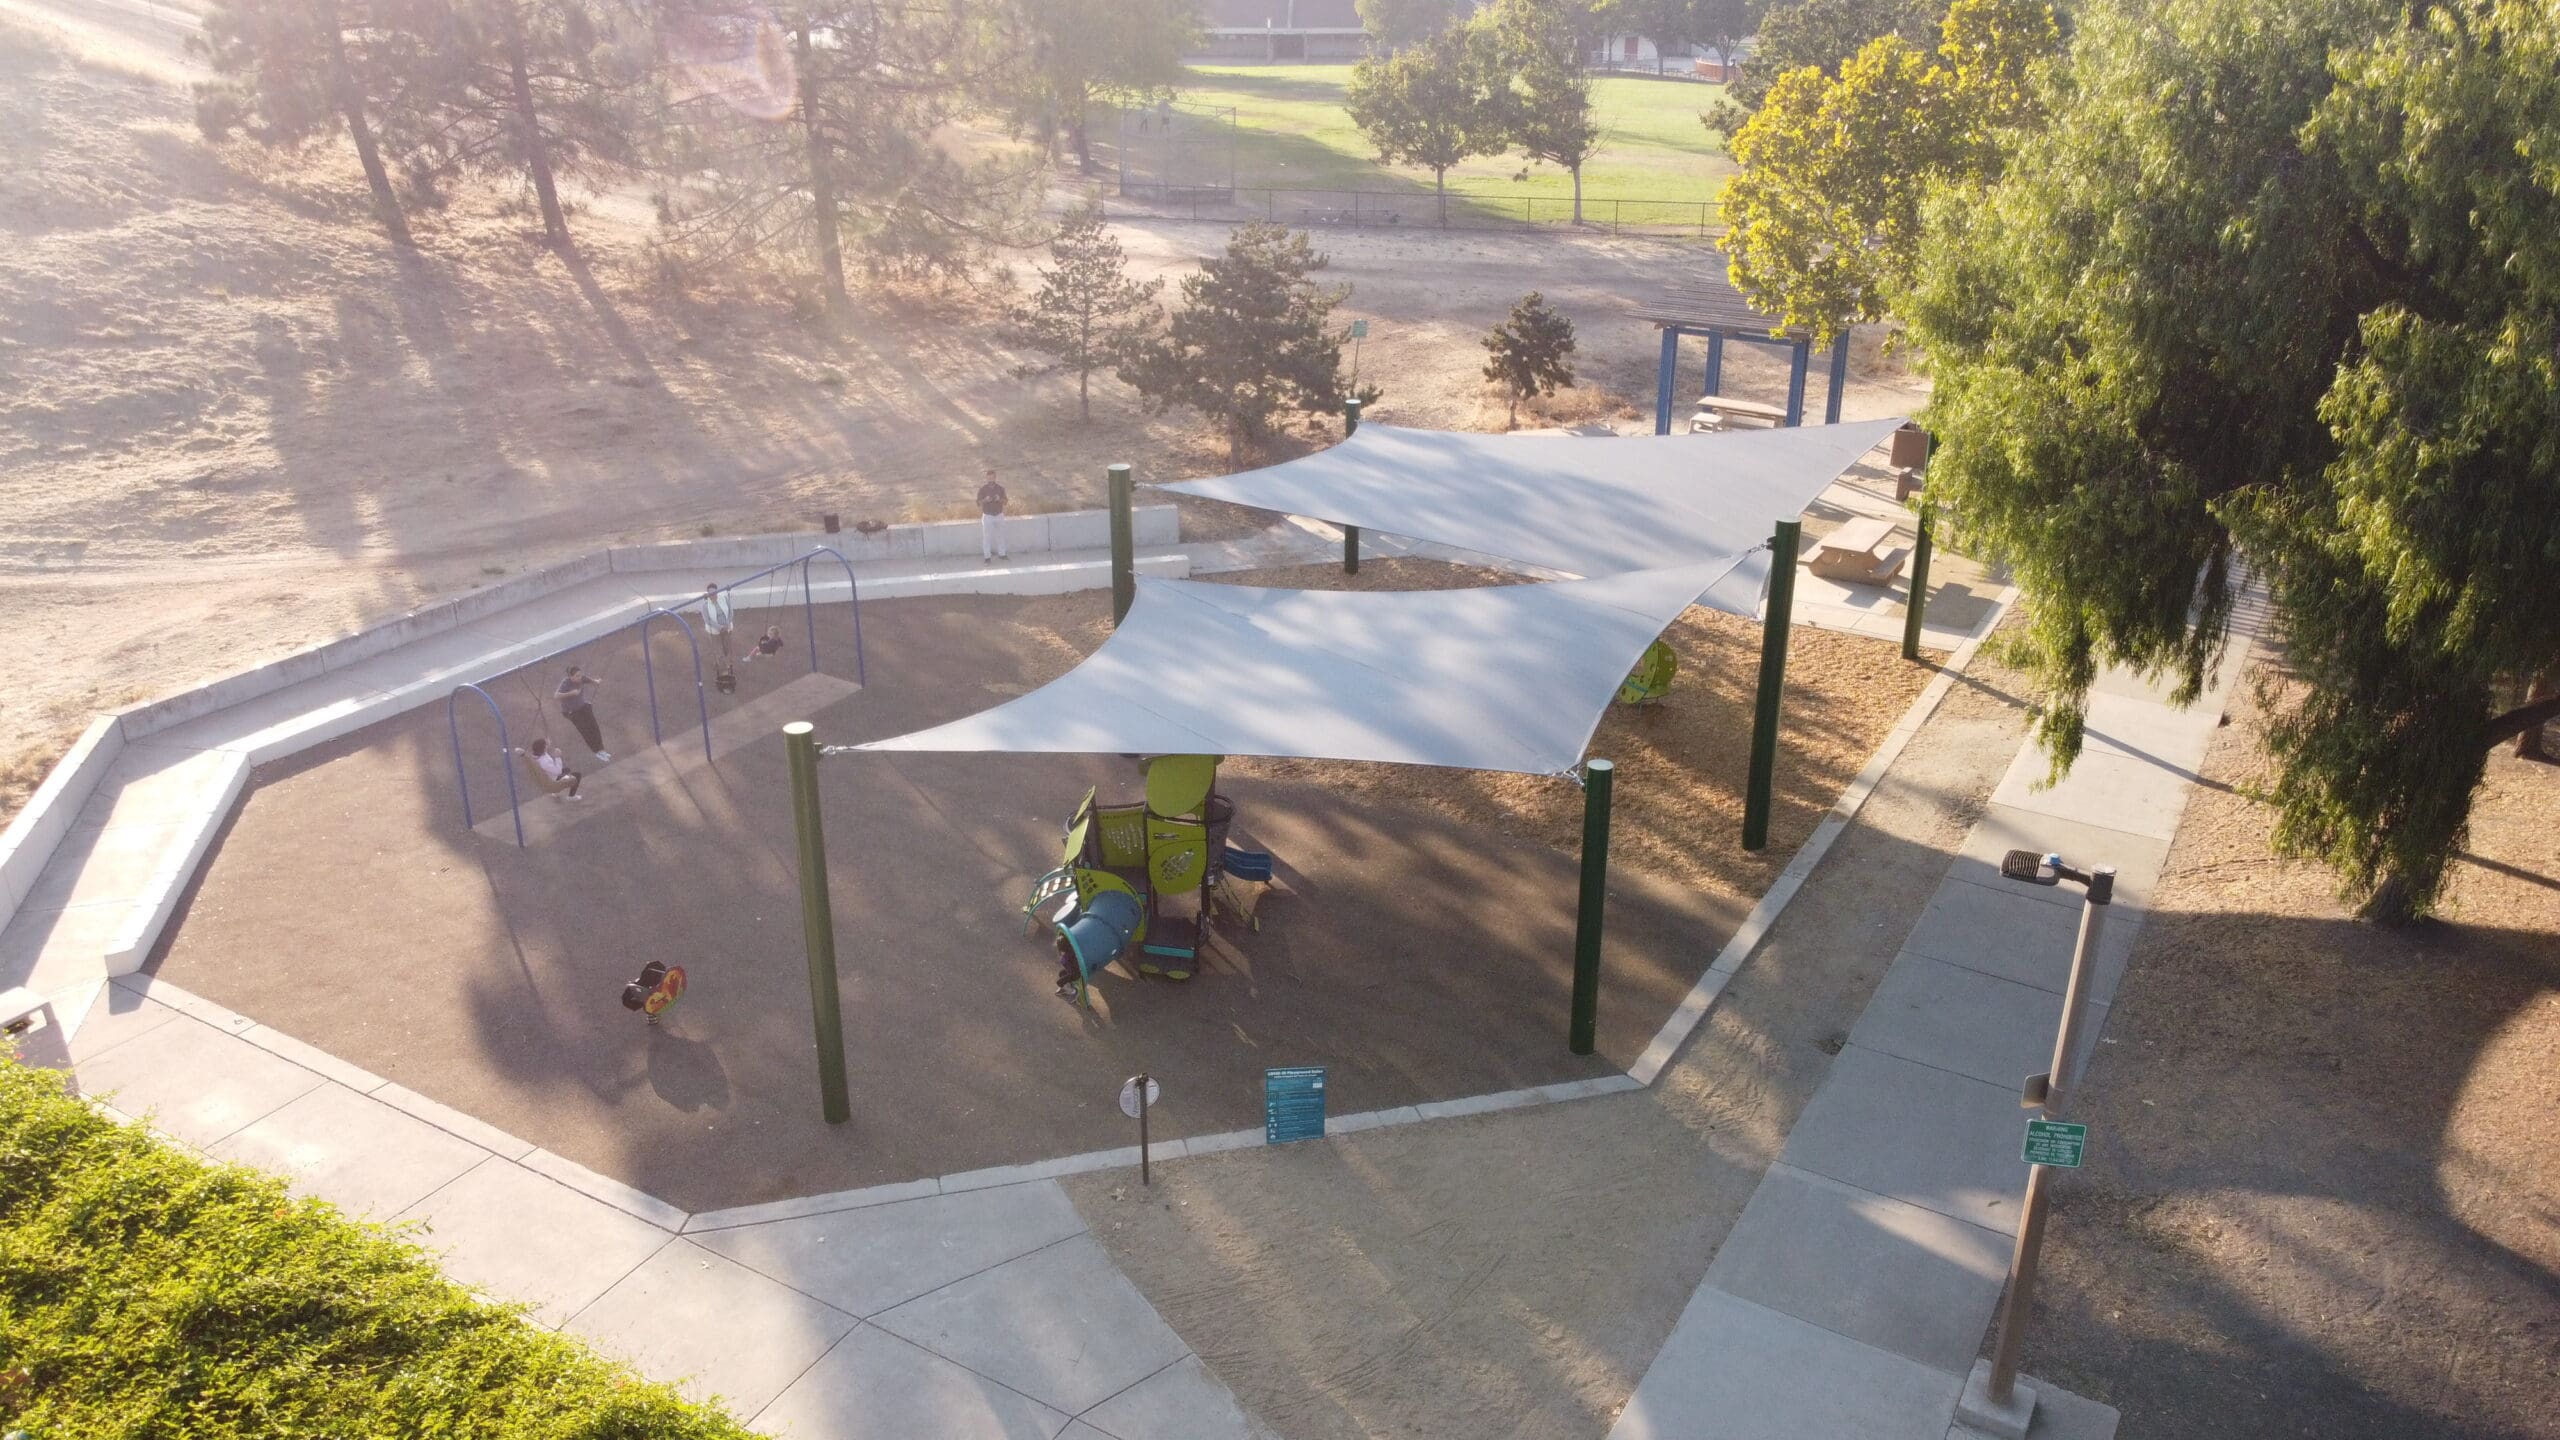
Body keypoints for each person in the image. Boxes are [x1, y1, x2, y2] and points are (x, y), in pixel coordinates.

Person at [555, 665, 611, 762]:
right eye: (577, 676)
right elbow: (556, 696)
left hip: (582, 707)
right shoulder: (566, 683)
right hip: (571, 712)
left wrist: (595, 682)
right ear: (570, 677)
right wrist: (571, 693)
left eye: (580, 675)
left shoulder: (581, 678)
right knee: (585, 730)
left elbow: (587, 679)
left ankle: (601, 750)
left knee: (594, 727)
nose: (579, 677)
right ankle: (596, 752)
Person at [515, 737, 582, 800]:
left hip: (549, 775)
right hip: (554, 781)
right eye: (546, 745)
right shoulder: (544, 762)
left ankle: (556, 793)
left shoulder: (537, 755)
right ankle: (571, 796)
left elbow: (545, 752)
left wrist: (547, 743)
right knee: (577, 775)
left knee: (567, 769)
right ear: (543, 748)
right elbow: (558, 772)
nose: (547, 746)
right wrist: (558, 757)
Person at [977, 468, 1009, 564]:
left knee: (1001, 535)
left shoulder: (1000, 488)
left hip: (999, 514)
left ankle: (1002, 554)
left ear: (995, 478)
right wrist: (985, 500)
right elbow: (978, 503)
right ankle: (987, 557)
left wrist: (999, 499)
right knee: (987, 537)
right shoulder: (982, 489)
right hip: (987, 516)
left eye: (992, 477)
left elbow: (1005, 501)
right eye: (989, 478)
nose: (991, 479)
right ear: (986, 478)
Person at [700, 581, 736, 662]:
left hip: (727, 627)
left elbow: (731, 611)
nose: (713, 594)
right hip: (714, 630)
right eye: (710, 593)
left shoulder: (724, 598)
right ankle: (722, 667)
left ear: (717, 591)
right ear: (708, 593)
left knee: (727, 646)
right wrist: (719, 627)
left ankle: (726, 660)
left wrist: (727, 623)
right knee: (718, 649)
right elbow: (707, 620)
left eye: (714, 592)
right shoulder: (705, 605)